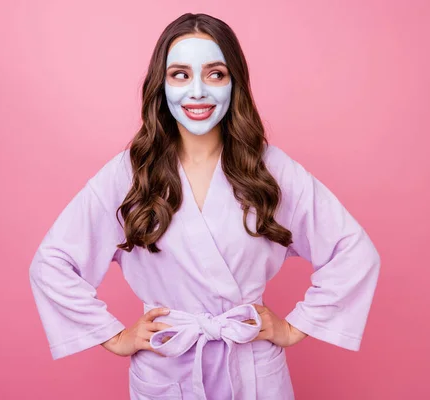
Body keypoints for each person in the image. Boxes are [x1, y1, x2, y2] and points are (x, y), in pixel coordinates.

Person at [28, 12, 381, 400]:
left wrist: (295, 327)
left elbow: (353, 251)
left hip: (252, 372)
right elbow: (52, 263)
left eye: (215, 74)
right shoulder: (130, 173)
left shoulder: (272, 170)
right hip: (167, 369)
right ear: (161, 86)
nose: (197, 91)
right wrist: (115, 337)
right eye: (180, 75)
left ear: (235, 84)